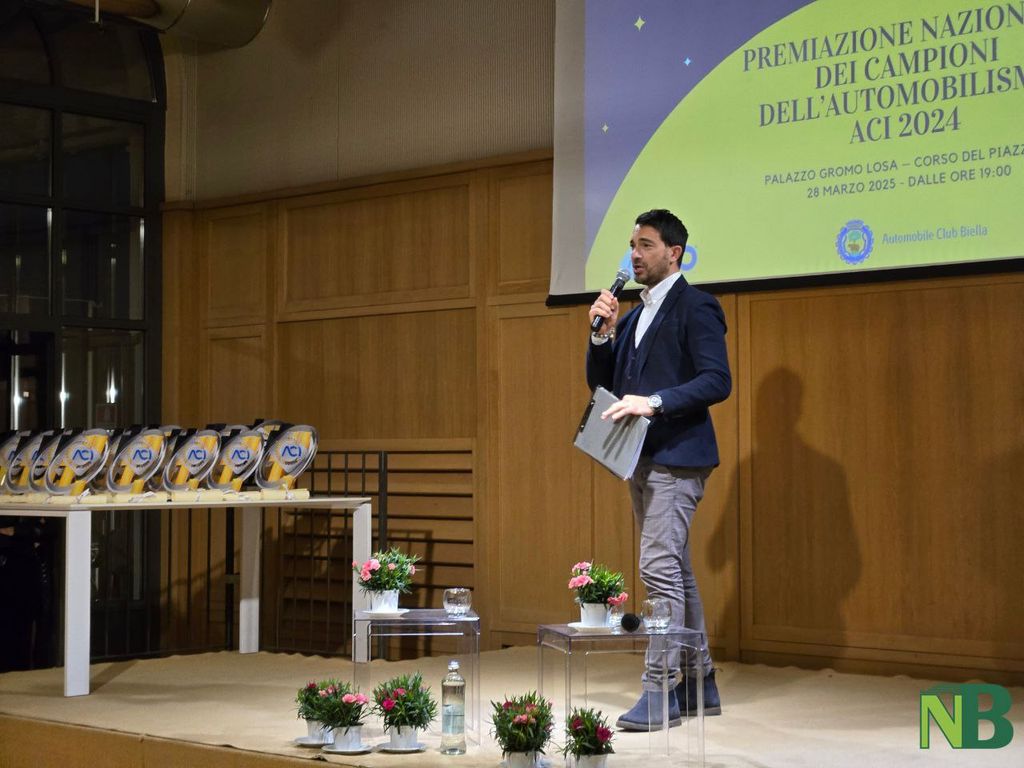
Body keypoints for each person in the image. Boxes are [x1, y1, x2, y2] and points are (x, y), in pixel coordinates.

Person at [586, 209, 731, 729]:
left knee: (656, 570)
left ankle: (660, 690)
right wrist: (601, 338)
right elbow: (602, 385)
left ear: (674, 252)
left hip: (679, 456)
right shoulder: (633, 315)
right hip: (640, 457)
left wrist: (655, 402)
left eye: (645, 245)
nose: (634, 255)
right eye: (632, 245)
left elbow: (717, 380)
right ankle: (699, 681)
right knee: (676, 571)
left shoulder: (697, 306)